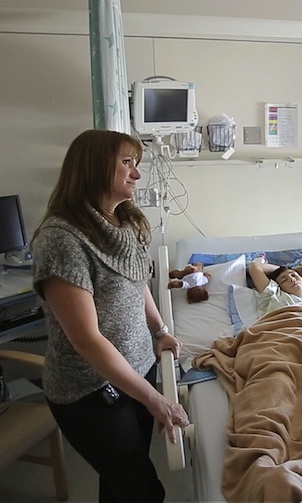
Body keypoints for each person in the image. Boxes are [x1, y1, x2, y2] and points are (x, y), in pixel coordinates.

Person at [30, 129, 190, 503]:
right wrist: (155, 398)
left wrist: (160, 329)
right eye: (127, 163)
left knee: (120, 482)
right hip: (90, 391)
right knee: (142, 490)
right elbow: (86, 339)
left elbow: (137, 285)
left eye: (136, 164)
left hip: (139, 371)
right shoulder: (61, 240)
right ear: (94, 166)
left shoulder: (127, 222)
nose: (136, 174)